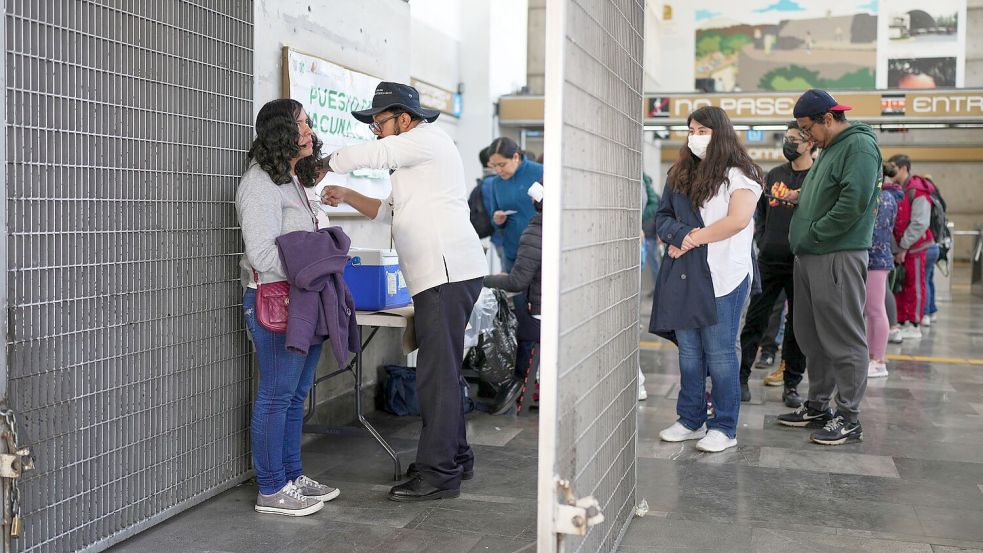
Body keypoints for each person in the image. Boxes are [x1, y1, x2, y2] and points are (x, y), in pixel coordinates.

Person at [319, 82, 487, 501]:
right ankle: (455, 456)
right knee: (443, 371)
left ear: (405, 119)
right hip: (443, 275)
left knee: (436, 376)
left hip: (445, 274)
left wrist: (323, 164)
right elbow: (387, 211)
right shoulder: (416, 163)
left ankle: (439, 473)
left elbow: (376, 154)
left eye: (380, 123)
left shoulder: (426, 140)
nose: (377, 131)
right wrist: (347, 194)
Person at [236, 98, 340, 517]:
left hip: (304, 298)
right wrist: (317, 262)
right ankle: (271, 488)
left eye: (309, 123)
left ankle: (292, 476)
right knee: (276, 396)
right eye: (301, 124)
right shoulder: (259, 183)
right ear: (281, 131)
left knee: (296, 394)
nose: (310, 131)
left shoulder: (295, 180)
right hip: (275, 299)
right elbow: (262, 255)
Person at [649, 106, 762, 453]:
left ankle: (725, 427)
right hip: (686, 275)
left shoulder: (741, 175)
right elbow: (662, 217)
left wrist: (690, 239)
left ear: (720, 133)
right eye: (692, 130)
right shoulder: (680, 173)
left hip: (726, 275)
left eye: (703, 131)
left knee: (721, 353)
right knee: (689, 353)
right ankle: (691, 419)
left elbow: (737, 221)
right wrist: (681, 236)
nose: (695, 137)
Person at [778, 89, 880, 446]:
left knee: (843, 336)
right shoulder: (829, 149)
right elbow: (826, 192)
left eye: (808, 130)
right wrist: (799, 198)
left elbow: (854, 202)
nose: (806, 138)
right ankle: (819, 405)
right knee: (812, 335)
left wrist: (816, 231)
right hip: (811, 254)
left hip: (836, 253)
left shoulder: (859, 146)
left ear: (828, 119)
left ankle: (849, 418)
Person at [738, 121, 813, 407]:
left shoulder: (816, 177)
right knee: (755, 320)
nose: (788, 144)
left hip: (800, 262)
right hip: (768, 260)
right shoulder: (774, 175)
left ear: (810, 143)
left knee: (797, 326)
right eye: (786, 138)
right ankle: (741, 378)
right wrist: (763, 236)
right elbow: (760, 213)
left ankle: (792, 384)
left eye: (794, 140)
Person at [483, 182, 543, 415]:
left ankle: (514, 381)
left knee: (502, 320)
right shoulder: (572, 228)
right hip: (565, 313)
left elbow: (517, 282)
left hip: (541, 317)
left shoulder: (536, 232)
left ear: (535, 201)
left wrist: (484, 281)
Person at [886, 154, 934, 340]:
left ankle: (914, 324)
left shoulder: (917, 190)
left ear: (904, 168)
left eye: (893, 167)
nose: (890, 172)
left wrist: (903, 246)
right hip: (902, 248)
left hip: (915, 248)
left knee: (915, 285)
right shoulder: (900, 189)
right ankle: (902, 321)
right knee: (901, 285)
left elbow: (920, 223)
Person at [486, 137, 544, 272]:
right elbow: (494, 218)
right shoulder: (496, 183)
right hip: (512, 254)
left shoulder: (540, 172)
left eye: (502, 164)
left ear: (516, 157)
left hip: (539, 252)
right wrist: (498, 220)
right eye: (494, 166)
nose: (498, 170)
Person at [866, 164, 900, 378]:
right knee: (870, 311)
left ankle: (879, 360)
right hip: (871, 258)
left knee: (876, 310)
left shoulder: (884, 198)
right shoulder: (879, 195)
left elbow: (876, 230)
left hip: (876, 259)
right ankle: (872, 356)